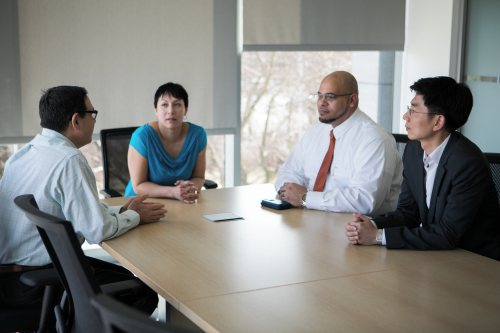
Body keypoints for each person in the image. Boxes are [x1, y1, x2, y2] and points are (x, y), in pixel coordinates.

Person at [0, 86, 167, 313]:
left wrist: (120, 212)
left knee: (129, 278)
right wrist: (135, 216)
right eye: (92, 114)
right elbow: (97, 231)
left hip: (12, 277)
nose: (95, 121)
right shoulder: (69, 159)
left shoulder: (23, 154)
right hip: (39, 280)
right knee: (142, 293)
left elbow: (73, 210)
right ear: (76, 121)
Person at [345, 76, 500, 261]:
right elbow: (408, 213)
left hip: (477, 261)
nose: (405, 116)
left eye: (413, 110)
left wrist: (378, 236)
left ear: (437, 122)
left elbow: (448, 234)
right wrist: (370, 224)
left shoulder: (468, 163)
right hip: (438, 256)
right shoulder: (414, 150)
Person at [276, 71, 402, 216]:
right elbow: (289, 172)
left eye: (330, 97)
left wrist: (305, 198)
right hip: (312, 222)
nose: (322, 102)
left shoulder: (374, 140)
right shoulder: (315, 132)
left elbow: (364, 201)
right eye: (319, 96)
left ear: (352, 100)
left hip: (361, 231)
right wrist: (289, 192)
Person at [125, 82, 207, 204]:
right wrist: (173, 192)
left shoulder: (198, 135)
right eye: (164, 104)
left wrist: (187, 188)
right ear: (156, 110)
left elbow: (199, 177)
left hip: (182, 202)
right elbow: (139, 185)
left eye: (177, 104)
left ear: (186, 110)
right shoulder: (141, 136)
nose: (171, 111)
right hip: (141, 203)